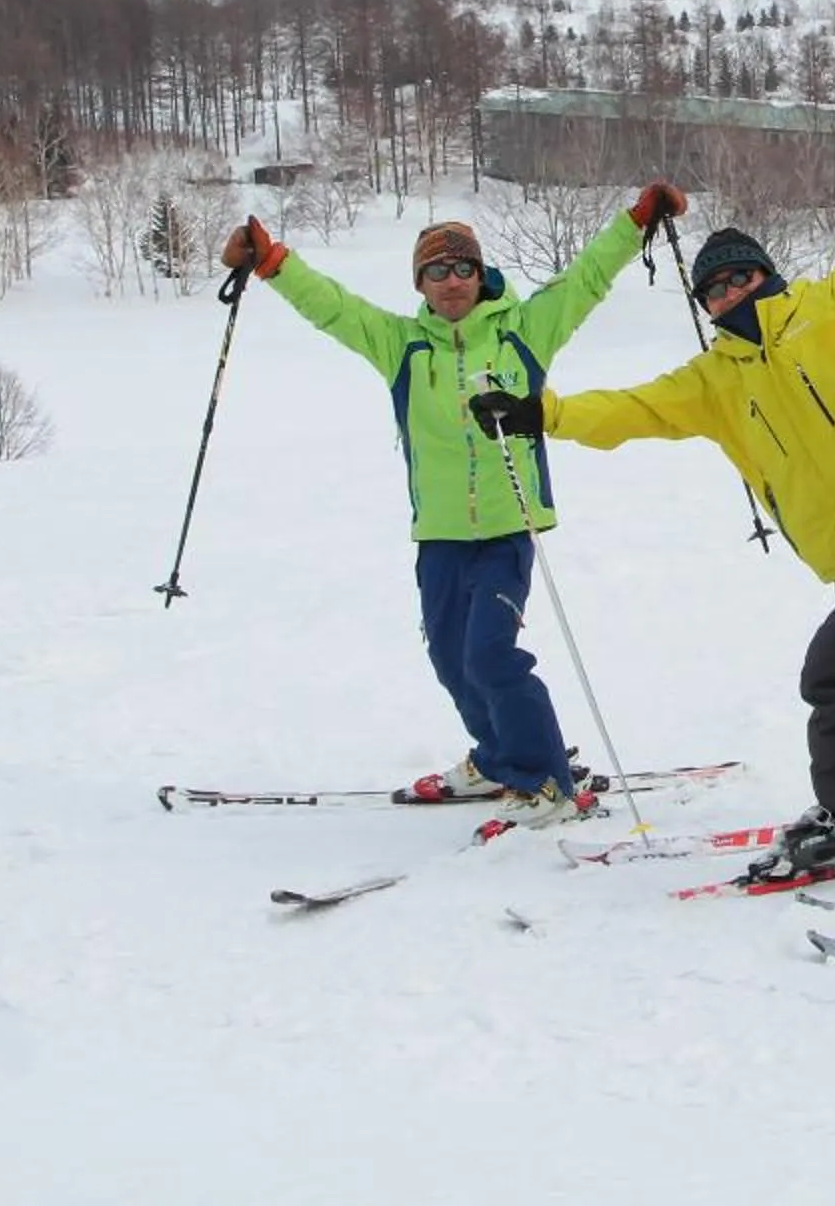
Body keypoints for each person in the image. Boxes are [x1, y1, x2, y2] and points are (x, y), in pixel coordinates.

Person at [468, 113, 835, 876]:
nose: (727, 293)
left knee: (832, 671)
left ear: (766, 273)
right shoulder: (714, 380)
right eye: (713, 290)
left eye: (739, 278)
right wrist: (542, 414)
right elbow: (630, 410)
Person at [219, 181, 684, 821]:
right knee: (450, 659)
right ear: (421, 285)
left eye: (462, 267)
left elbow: (587, 278)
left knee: (490, 655)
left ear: (480, 273)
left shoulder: (524, 331)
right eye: (435, 272)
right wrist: (272, 262)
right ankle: (497, 759)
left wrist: (637, 221)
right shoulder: (402, 346)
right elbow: (333, 308)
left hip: (505, 530)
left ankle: (546, 781)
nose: (451, 282)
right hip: (439, 535)